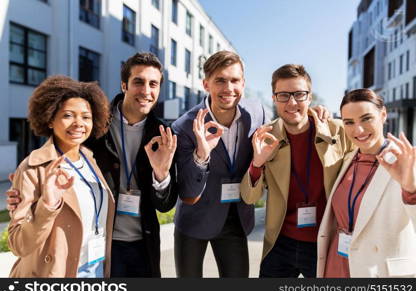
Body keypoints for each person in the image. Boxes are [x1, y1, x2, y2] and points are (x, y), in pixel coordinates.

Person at [6, 52, 178, 278]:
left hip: (142, 245)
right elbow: (56, 154)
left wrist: (161, 174)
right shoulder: (95, 127)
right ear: (124, 85)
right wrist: (32, 193)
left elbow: (165, 205)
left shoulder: (164, 135)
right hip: (97, 246)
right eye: (138, 82)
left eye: (153, 84)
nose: (146, 91)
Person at [240, 64, 354, 278]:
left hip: (325, 242)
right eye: (283, 95)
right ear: (274, 98)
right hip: (280, 243)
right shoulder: (264, 136)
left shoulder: (338, 131)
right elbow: (249, 197)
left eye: (299, 94)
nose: (292, 103)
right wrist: (257, 164)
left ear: (310, 97)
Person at [8, 75, 114, 277]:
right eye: (68, 115)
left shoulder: (90, 159)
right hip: (55, 273)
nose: (78, 123)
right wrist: (47, 206)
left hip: (96, 268)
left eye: (86, 116)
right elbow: (18, 244)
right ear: (50, 119)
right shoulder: (33, 167)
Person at [171, 51, 266, 277]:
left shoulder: (257, 113)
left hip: (236, 218)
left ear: (243, 83)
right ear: (206, 84)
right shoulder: (184, 126)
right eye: (220, 80)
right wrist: (201, 156)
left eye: (234, 80)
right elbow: (187, 190)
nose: (228, 88)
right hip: (194, 219)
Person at [317, 89, 416, 277]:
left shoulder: (407, 162)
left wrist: (411, 190)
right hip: (336, 264)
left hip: (376, 271)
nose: (358, 130)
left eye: (366, 119)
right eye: (349, 122)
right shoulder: (347, 159)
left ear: (383, 115)